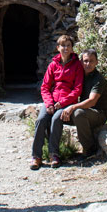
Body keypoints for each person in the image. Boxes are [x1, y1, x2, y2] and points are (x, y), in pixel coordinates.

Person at [32, 34, 83, 170]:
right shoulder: (53, 65)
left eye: (68, 46)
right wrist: (49, 103)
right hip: (52, 100)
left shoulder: (77, 65)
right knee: (41, 119)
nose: (65, 48)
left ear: (72, 48)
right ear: (58, 48)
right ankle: (36, 156)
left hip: (66, 101)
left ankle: (54, 154)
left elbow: (77, 89)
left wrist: (63, 102)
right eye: (63, 46)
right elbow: (45, 87)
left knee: (56, 119)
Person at [60, 49, 107, 161]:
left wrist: (73, 107)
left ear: (97, 62)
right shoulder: (79, 75)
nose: (88, 64)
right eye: (85, 61)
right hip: (85, 110)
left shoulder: (98, 79)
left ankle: (90, 149)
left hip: (99, 113)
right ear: (81, 62)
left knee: (78, 113)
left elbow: (92, 101)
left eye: (91, 61)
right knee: (57, 114)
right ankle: (54, 150)